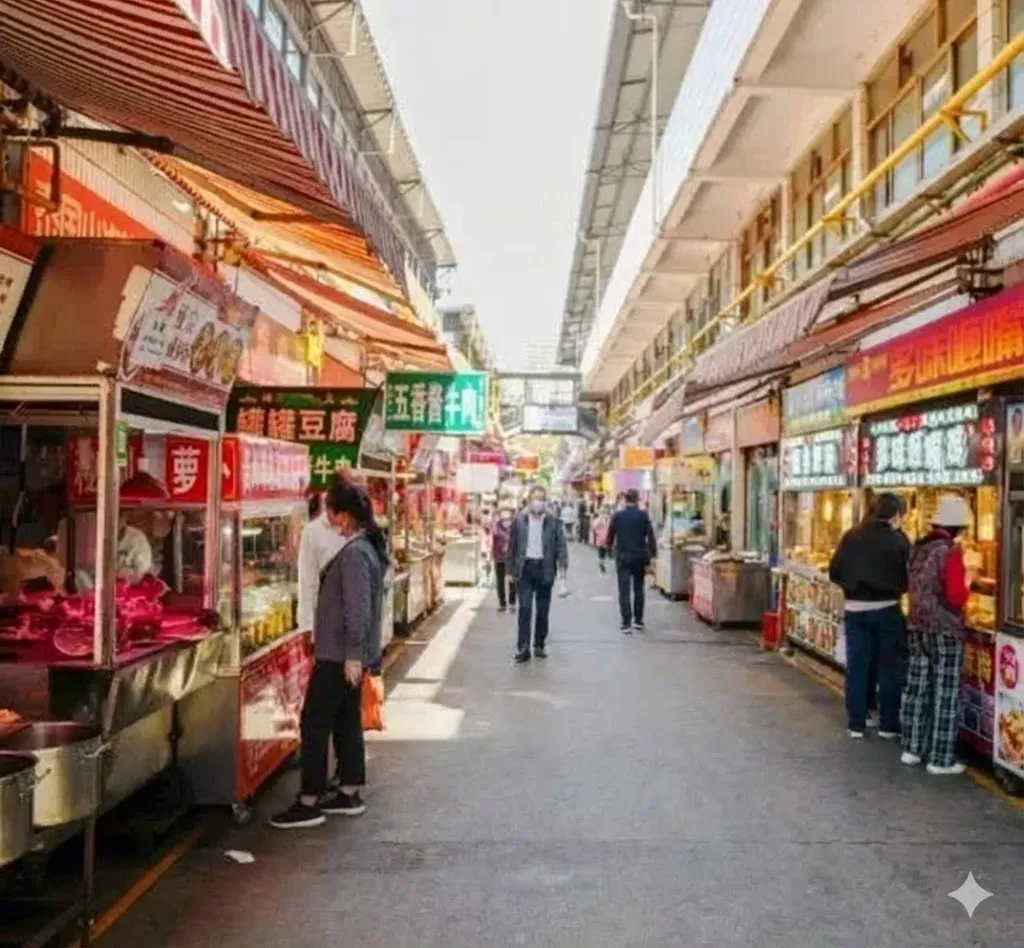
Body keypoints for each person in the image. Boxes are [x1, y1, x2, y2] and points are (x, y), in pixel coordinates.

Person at [271, 480, 386, 829]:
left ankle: (310, 800)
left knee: (315, 722)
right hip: (343, 653)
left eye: (332, 513)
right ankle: (348, 791)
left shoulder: (354, 554)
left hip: (338, 654)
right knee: (345, 719)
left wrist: (352, 653)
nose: (330, 520)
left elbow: (357, 609)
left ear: (345, 516)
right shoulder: (364, 548)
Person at [900, 495, 972, 775]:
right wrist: (969, 582)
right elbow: (956, 596)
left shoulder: (919, 548)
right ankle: (940, 759)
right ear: (957, 528)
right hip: (945, 629)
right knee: (946, 691)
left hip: (917, 624)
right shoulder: (950, 552)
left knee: (917, 687)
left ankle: (912, 748)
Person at [828, 492, 909, 740]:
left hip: (855, 610)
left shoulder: (851, 535)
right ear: (896, 514)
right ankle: (888, 725)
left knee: (857, 666)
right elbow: (909, 575)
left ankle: (856, 723)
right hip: (887, 609)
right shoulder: (898, 540)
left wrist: (852, 588)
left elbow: (834, 571)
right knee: (889, 667)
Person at [508, 484, 568, 663]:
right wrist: (510, 571)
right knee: (525, 609)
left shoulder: (553, 521)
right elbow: (512, 546)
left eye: (541, 499)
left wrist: (563, 565)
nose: (538, 502)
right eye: (535, 498)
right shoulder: (519, 520)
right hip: (525, 568)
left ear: (545, 501)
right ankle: (524, 647)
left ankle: (539, 644)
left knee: (543, 610)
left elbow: (561, 544)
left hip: (545, 568)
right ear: (529, 500)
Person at [605, 489, 657, 633]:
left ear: (625, 500)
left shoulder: (618, 516)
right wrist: (652, 554)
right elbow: (650, 536)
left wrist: (608, 548)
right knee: (639, 588)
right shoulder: (643, 515)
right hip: (640, 557)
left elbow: (610, 535)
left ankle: (626, 623)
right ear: (637, 500)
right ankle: (638, 621)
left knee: (624, 590)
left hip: (623, 557)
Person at [297, 490, 347, 640]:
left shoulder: (354, 529)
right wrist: (306, 625)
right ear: (328, 509)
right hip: (325, 617)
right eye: (339, 515)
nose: (342, 520)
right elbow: (306, 580)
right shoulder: (312, 532)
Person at [491, 506, 517, 612]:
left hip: (511, 557)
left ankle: (512, 602)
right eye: (503, 512)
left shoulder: (515, 525)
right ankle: (502, 603)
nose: (505, 514)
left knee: (512, 580)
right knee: (500, 581)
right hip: (499, 557)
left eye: (507, 512)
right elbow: (493, 534)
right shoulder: (496, 525)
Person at [116, 514, 153, 583]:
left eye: (119, 516)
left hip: (128, 585)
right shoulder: (96, 533)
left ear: (125, 518)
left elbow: (141, 573)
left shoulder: (138, 538)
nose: (116, 521)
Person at [591, 506, 611, 573]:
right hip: (603, 538)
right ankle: (602, 563)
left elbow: (593, 527)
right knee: (602, 551)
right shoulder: (601, 519)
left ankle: (601, 562)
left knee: (602, 552)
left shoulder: (607, 519)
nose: (605, 514)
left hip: (604, 538)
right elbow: (594, 526)